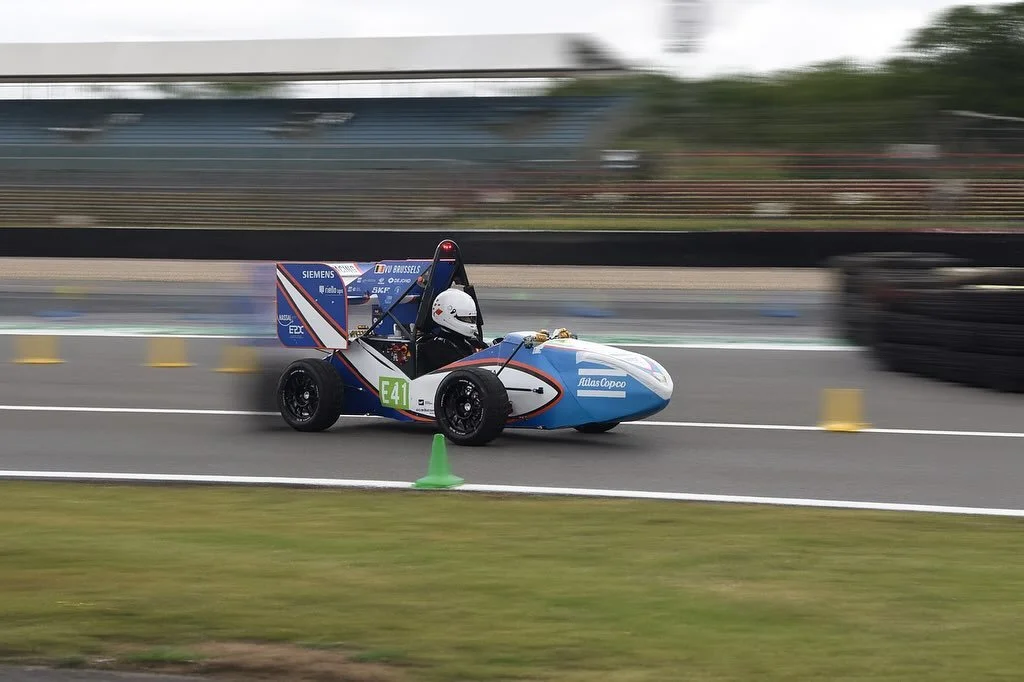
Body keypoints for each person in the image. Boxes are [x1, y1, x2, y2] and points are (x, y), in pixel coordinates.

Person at [417, 287, 487, 374]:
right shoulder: (435, 346)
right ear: (447, 314)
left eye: (471, 319)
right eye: (465, 318)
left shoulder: (471, 340)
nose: (470, 323)